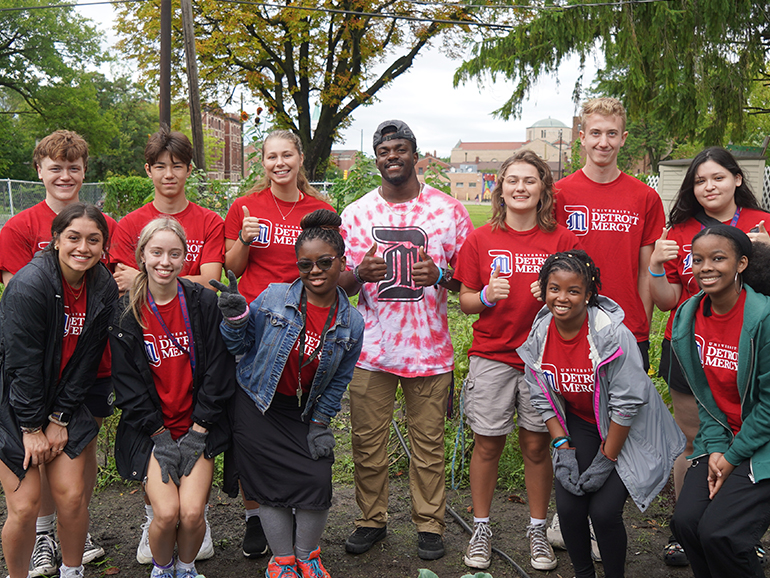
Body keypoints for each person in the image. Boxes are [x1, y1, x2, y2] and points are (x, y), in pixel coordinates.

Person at [339, 120, 473, 560]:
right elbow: (335, 282)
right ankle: (370, 519)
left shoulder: (450, 212)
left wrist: (441, 276)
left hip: (429, 350)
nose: (391, 157)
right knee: (367, 441)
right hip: (371, 350)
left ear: (415, 155)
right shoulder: (357, 214)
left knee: (428, 444)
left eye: (400, 149)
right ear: (376, 159)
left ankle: (429, 524)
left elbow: (469, 283)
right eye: (384, 151)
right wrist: (359, 273)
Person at [214, 209, 364, 578]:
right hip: (257, 403)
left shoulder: (352, 321)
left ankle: (307, 555)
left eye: (325, 262)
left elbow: (339, 380)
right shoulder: (275, 297)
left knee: (317, 477)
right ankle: (282, 561)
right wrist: (234, 318)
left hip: (303, 411)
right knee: (267, 484)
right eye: (305, 264)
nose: (315, 271)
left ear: (341, 262)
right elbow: (240, 346)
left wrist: (319, 423)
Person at [519, 250, 683, 578]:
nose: (562, 298)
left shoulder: (611, 334)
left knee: (605, 512)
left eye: (573, 291)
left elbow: (627, 404)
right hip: (582, 423)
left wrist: (607, 459)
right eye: (554, 289)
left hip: (627, 429)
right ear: (544, 289)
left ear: (589, 294)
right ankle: (583, 574)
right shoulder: (540, 333)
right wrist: (562, 447)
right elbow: (543, 395)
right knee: (568, 508)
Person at [454, 150, 579, 571]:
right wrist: (487, 295)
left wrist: (556, 297)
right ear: (499, 188)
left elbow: (580, 298)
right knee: (487, 443)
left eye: (530, 180)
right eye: (512, 180)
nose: (521, 187)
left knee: (536, 444)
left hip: (544, 359)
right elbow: (466, 301)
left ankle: (537, 530)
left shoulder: (561, 241)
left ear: (543, 188)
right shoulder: (480, 239)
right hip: (492, 356)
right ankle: (482, 526)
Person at [0, 131, 116, 576]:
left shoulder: (100, 279)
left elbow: (88, 350)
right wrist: (34, 423)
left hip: (76, 384)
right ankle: (38, 544)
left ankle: (72, 546)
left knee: (72, 486)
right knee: (28, 499)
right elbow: (24, 345)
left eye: (93, 241)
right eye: (72, 239)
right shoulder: (26, 257)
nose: (82, 248)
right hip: (26, 387)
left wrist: (59, 417)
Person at [648, 146, 769, 566]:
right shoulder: (679, 230)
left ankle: (739, 529)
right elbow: (667, 300)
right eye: (699, 180)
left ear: (737, 179)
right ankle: (689, 529)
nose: (708, 186)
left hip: (751, 350)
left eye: (717, 176)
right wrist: (654, 267)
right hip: (696, 346)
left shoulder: (763, 225)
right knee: (696, 441)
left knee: (751, 434)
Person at [109, 128, 225, 564]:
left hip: (195, 416)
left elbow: (212, 280)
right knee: (167, 511)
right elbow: (123, 284)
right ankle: (156, 520)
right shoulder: (127, 313)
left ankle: (191, 532)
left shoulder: (202, 300)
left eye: (175, 254)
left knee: (190, 514)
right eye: (161, 165)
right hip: (153, 416)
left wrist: (198, 430)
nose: (165, 262)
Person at [223, 129, 332, 557]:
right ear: (262, 161)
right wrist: (245, 238)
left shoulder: (320, 210)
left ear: (300, 157)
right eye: (271, 156)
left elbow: (328, 265)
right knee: (251, 425)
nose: (279, 163)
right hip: (253, 327)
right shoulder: (245, 207)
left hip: (302, 327)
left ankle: (293, 509)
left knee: (293, 416)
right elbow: (232, 268)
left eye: (287, 154)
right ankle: (256, 518)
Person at [669, 226, 770, 578]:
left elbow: (769, 408)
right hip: (724, 438)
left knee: (722, 534)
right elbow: (705, 396)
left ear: (741, 263)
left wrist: (730, 457)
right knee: (687, 522)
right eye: (697, 260)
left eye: (718, 258)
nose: (705, 267)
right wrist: (714, 447)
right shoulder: (689, 316)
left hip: (762, 444)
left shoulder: (764, 319)